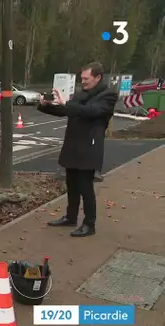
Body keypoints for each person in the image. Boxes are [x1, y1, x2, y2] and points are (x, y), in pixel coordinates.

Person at [37, 62, 118, 237]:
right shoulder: (82, 94)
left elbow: (92, 111)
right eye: (82, 78)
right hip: (73, 144)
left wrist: (68, 103)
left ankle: (90, 224)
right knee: (72, 184)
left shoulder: (108, 95)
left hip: (89, 146)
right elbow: (66, 110)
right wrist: (45, 105)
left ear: (98, 77)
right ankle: (70, 217)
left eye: (86, 79)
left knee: (85, 186)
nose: (84, 82)